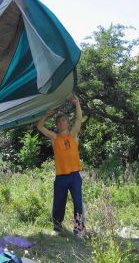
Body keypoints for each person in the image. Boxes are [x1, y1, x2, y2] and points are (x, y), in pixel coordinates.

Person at [37, 94, 85, 236]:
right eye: (59, 121)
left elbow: (79, 119)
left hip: (75, 176)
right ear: (57, 125)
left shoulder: (73, 135)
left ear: (67, 122)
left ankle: (79, 229)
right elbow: (39, 126)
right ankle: (57, 227)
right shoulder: (54, 137)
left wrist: (77, 103)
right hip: (61, 177)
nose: (62, 123)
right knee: (59, 203)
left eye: (64, 120)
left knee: (78, 202)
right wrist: (47, 115)